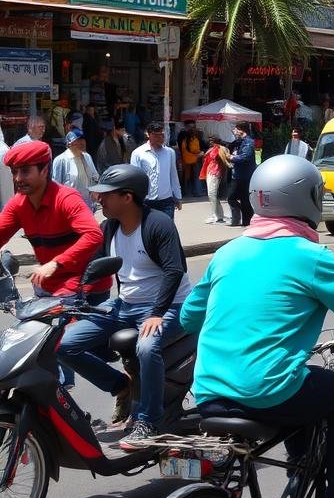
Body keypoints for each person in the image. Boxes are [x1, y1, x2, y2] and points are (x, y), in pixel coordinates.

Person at [180, 155, 334, 498]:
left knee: (301, 402)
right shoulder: (310, 255)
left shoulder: (227, 252)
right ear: (307, 198)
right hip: (268, 391)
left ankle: (297, 477)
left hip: (209, 392)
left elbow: (188, 318)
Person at [61, 165, 193, 442]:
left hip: (170, 306)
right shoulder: (109, 227)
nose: (99, 199)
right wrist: (71, 299)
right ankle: (121, 385)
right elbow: (92, 267)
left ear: (127, 197)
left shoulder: (158, 224)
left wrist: (157, 313)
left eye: (105, 195)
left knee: (146, 346)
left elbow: (174, 270)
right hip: (124, 305)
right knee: (64, 344)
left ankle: (149, 420)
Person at [0, 141, 108, 386]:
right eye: (14, 172)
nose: (18, 179)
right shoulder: (19, 203)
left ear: (44, 170)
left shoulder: (66, 198)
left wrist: (56, 263)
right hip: (49, 288)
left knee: (60, 350)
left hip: (83, 285)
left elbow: (93, 235)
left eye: (25, 171)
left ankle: (120, 385)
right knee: (32, 347)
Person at [131, 122, 182, 221]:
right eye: (156, 135)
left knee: (167, 228)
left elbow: (173, 175)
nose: (160, 138)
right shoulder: (138, 153)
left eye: (162, 135)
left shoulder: (170, 152)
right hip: (146, 201)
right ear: (148, 135)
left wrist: (178, 196)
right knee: (148, 228)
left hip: (166, 201)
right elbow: (135, 179)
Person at [51, 128, 100, 212]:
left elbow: (95, 177)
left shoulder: (87, 157)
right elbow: (56, 186)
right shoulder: (61, 160)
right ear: (69, 144)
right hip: (70, 207)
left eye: (83, 139)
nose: (82, 142)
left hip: (88, 206)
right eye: (78, 140)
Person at [227, 123, 256, 227]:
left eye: (236, 130)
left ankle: (246, 221)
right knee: (233, 198)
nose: (234, 132)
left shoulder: (249, 142)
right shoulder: (239, 141)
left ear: (241, 130)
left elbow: (245, 157)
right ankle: (242, 220)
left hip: (245, 175)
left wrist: (232, 157)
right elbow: (231, 146)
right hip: (238, 174)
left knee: (242, 199)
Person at [201, 135, 232, 224]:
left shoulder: (220, 148)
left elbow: (225, 159)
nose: (210, 142)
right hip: (210, 171)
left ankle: (216, 216)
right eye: (209, 140)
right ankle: (218, 215)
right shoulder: (212, 149)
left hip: (215, 172)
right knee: (212, 194)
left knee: (212, 194)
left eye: (212, 140)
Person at [176, 121, 205, 197]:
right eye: (192, 127)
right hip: (195, 159)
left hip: (186, 159)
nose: (193, 128)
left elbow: (180, 147)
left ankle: (186, 192)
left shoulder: (182, 136)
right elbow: (197, 148)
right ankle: (197, 192)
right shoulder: (195, 137)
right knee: (196, 176)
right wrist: (201, 153)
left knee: (186, 177)